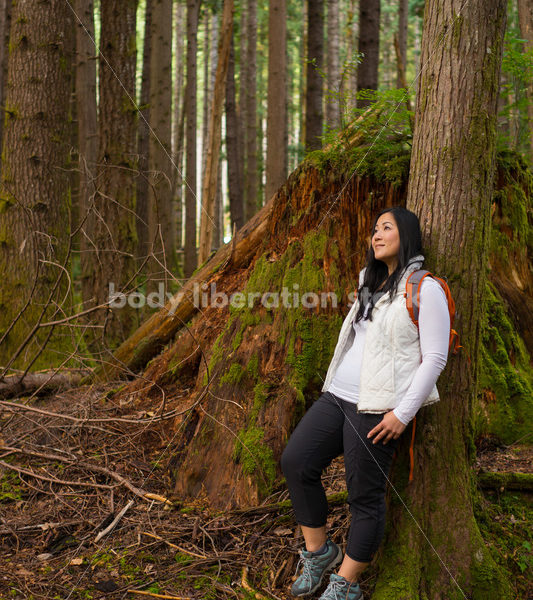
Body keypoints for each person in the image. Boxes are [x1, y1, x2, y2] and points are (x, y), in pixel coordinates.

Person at [281, 207, 451, 600]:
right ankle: (319, 553)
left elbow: (436, 358)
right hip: (337, 396)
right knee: (296, 461)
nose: (376, 235)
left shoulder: (426, 289)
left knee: (364, 496)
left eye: (386, 228)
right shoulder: (369, 280)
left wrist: (402, 414)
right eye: (374, 229)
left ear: (405, 235)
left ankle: (347, 583)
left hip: (377, 408)